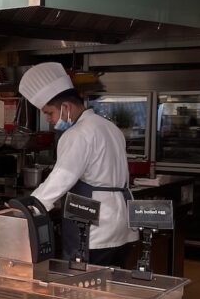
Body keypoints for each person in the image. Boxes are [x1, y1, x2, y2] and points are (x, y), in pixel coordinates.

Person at [17, 62, 136, 266]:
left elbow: (61, 177)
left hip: (95, 229)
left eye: (49, 113)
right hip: (121, 224)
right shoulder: (108, 126)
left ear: (66, 107)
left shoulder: (77, 134)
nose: (49, 120)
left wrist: (29, 207)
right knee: (113, 287)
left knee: (85, 288)